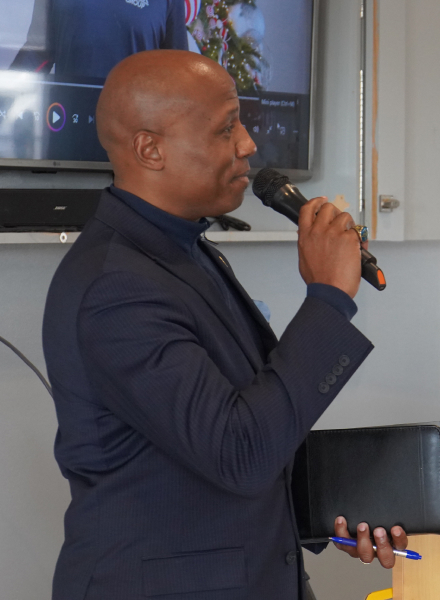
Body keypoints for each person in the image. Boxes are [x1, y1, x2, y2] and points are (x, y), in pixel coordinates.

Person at [42, 50, 407, 600]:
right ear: (150, 149)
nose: (248, 145)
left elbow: (240, 422)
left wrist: (338, 509)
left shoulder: (185, 250)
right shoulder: (115, 286)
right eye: (226, 128)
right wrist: (330, 298)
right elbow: (240, 452)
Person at [10, 0, 188, 80]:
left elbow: (178, 72)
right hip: (70, 119)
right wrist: (5, 101)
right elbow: (36, 55)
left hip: (136, 130)